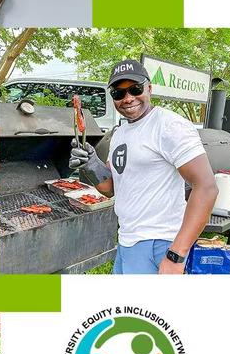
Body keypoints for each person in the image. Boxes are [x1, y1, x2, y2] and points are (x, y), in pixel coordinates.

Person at [69, 59, 218, 274]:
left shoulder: (168, 125)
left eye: (135, 89)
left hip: (157, 243)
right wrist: (91, 163)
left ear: (149, 88)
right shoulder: (120, 133)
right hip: (127, 239)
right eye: (118, 93)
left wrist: (176, 255)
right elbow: (111, 186)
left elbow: (206, 186)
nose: (128, 98)